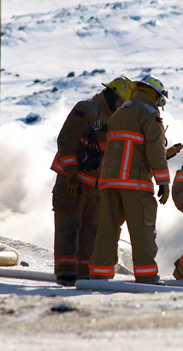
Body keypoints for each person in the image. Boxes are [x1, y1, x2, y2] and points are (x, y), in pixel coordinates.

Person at [89, 75, 172, 285]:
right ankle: (146, 276)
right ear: (154, 94)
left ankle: (99, 274)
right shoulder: (150, 114)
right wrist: (163, 180)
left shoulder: (120, 112)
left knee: (107, 229)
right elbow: (154, 150)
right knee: (142, 229)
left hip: (109, 182)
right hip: (135, 183)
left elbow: (126, 147)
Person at [51, 76, 132, 286]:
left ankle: (84, 274)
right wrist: (70, 173)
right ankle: (66, 273)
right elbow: (66, 141)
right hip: (72, 182)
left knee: (91, 231)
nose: (122, 107)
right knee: (70, 226)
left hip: (95, 187)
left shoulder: (115, 118)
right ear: (113, 95)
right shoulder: (86, 109)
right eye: (122, 102)